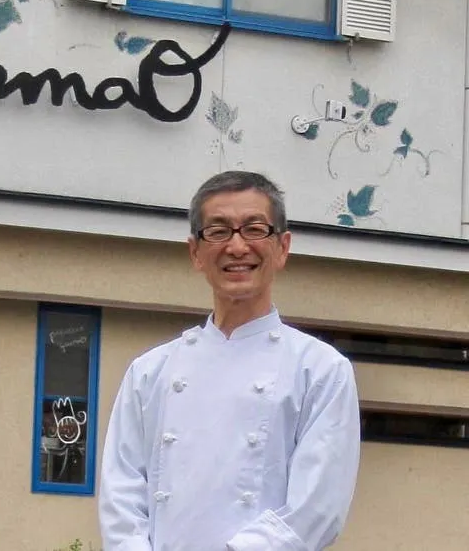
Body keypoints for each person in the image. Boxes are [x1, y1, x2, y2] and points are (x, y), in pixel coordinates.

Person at [98, 171, 361, 551]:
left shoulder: (321, 371)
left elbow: (315, 511)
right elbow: (120, 496)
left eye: (254, 229)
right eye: (219, 231)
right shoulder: (149, 372)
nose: (237, 247)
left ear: (282, 247)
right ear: (195, 252)